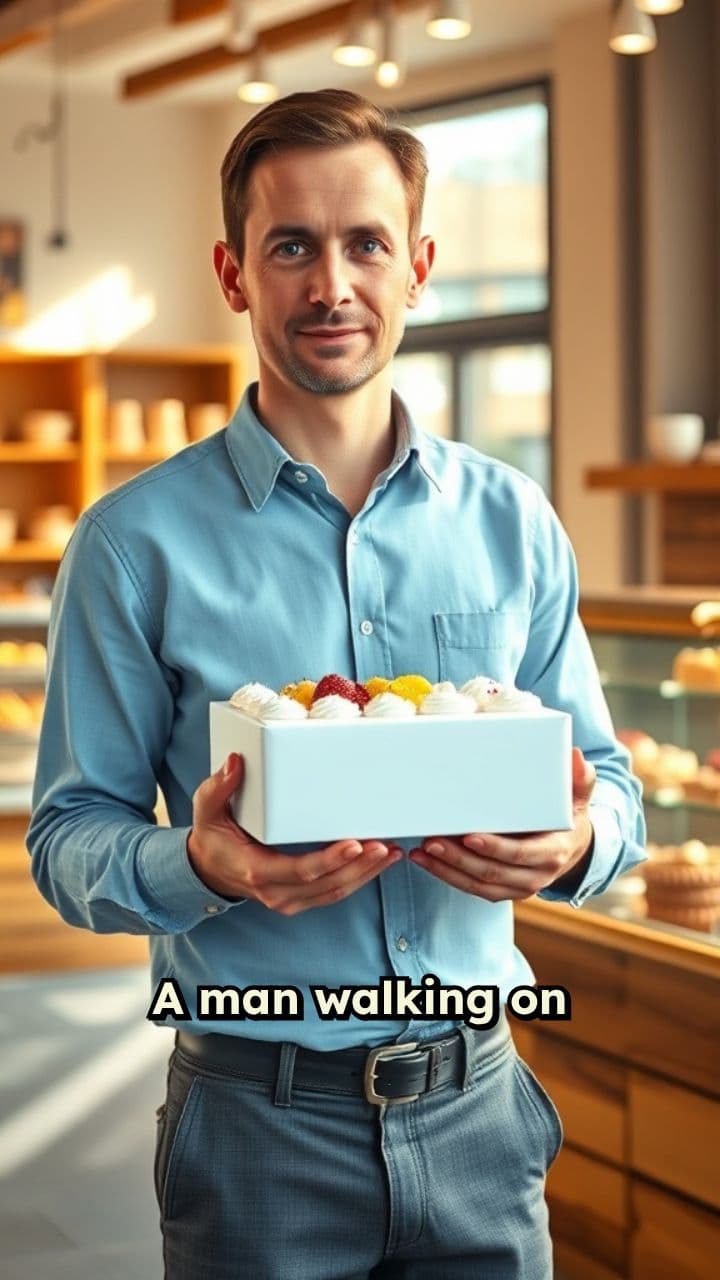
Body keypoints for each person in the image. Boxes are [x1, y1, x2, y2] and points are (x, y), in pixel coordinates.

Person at [28, 88, 645, 1280]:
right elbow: (68, 839)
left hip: (483, 1111)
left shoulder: (514, 521)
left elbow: (611, 783)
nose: (332, 284)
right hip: (257, 1126)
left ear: (418, 266)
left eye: (366, 243)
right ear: (233, 272)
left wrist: (576, 838)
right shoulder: (132, 544)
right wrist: (204, 863)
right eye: (291, 246)